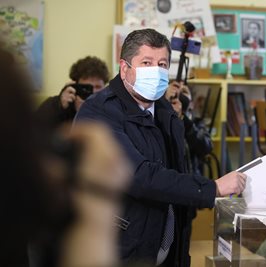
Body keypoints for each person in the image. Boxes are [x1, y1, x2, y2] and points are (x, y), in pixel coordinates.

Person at [74, 28, 247, 266]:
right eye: (146, 62)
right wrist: (211, 188)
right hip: (121, 249)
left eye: (162, 63)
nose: (156, 71)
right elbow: (139, 176)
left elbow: (178, 168)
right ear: (125, 68)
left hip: (169, 244)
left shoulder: (165, 110)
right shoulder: (98, 111)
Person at [0, 39, 130, 267]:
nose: (91, 95)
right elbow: (28, 143)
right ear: (74, 85)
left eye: (98, 89)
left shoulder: (113, 113)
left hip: (88, 205)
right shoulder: (55, 106)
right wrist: (60, 107)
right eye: (85, 89)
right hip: (46, 207)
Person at [36, 56, 110, 130]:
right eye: (87, 88)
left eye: (98, 87)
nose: (93, 92)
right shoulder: (54, 105)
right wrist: (60, 107)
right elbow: (35, 133)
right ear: (76, 86)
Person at [165, 80, 213, 175]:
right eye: (176, 91)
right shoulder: (161, 120)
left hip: (193, 179)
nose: (179, 94)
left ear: (192, 104)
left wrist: (183, 119)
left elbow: (206, 147)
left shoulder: (197, 123)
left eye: (184, 92)